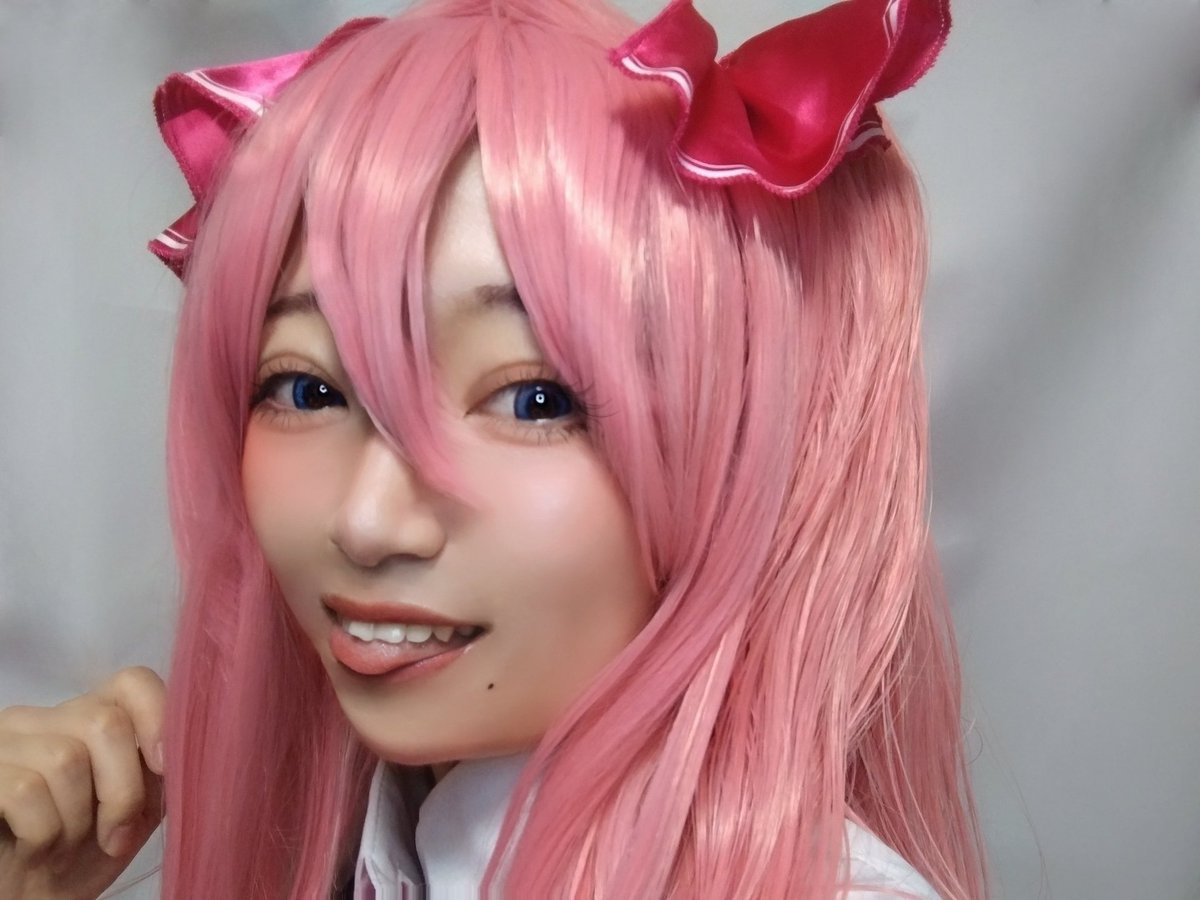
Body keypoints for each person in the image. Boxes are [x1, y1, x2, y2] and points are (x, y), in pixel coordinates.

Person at [0, 0, 988, 896]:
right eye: (307, 389)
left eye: (533, 399)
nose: (367, 522)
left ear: (733, 450)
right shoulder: (371, 850)